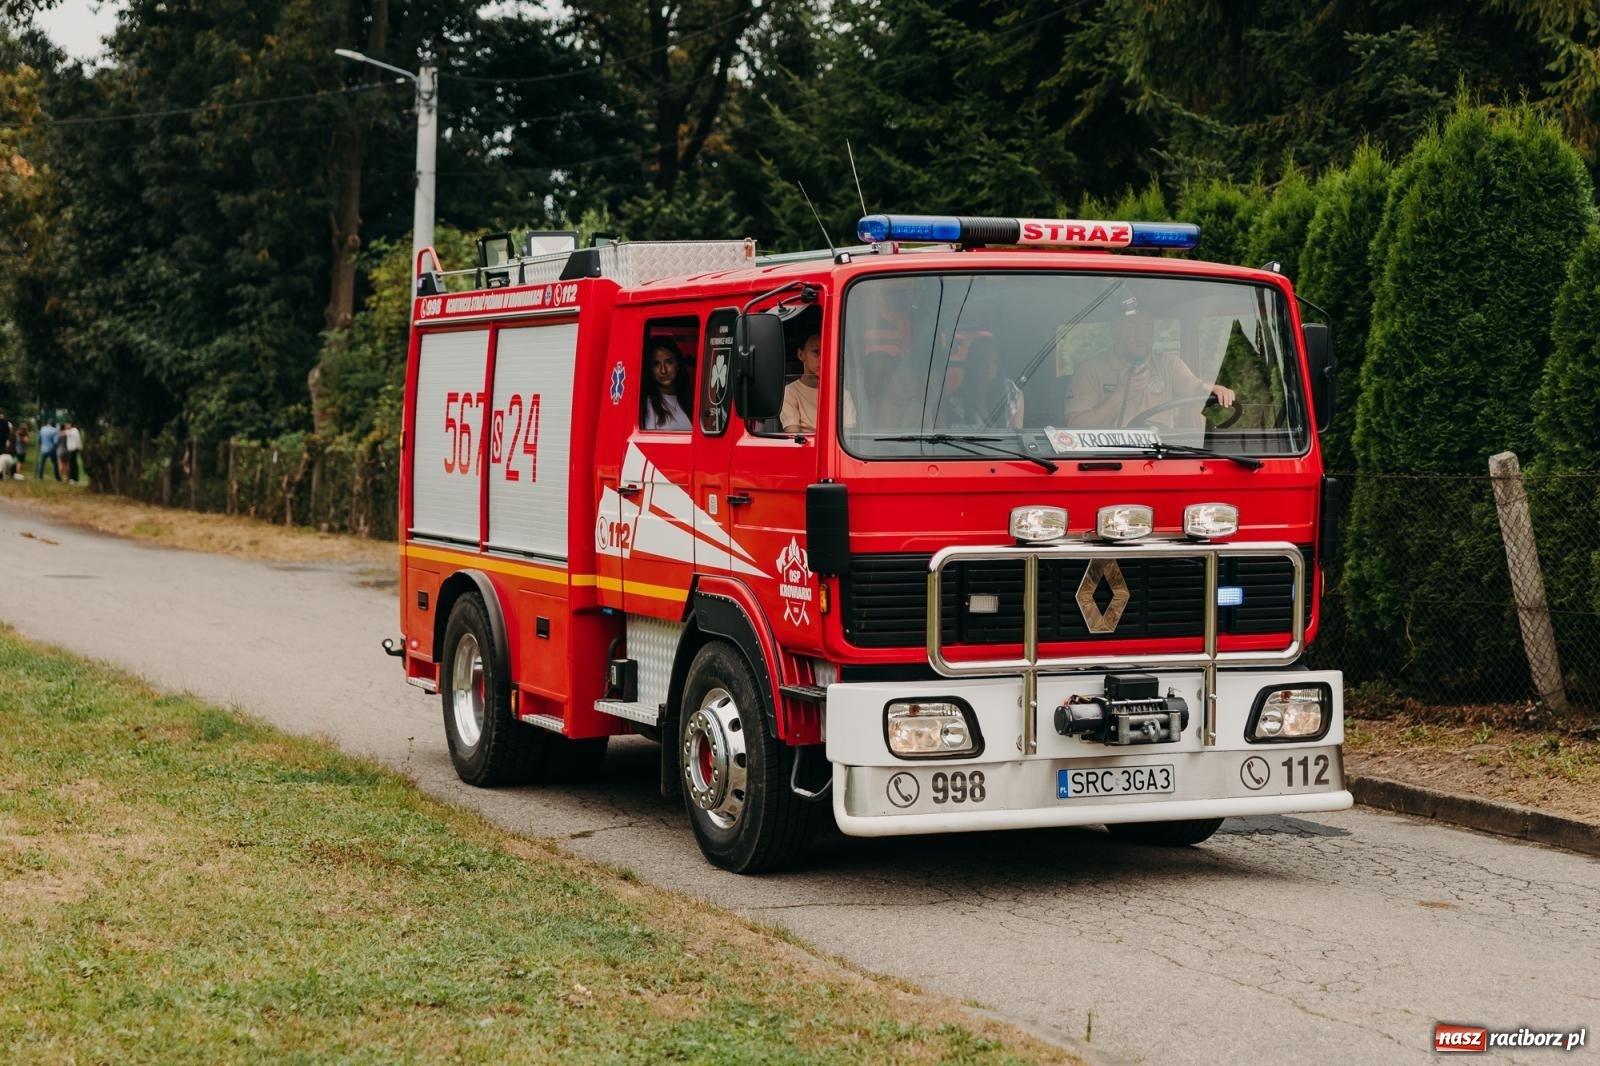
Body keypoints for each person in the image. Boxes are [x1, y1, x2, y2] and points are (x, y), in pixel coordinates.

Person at [1063, 292, 1235, 428]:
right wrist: (1121, 394)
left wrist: (1217, 389)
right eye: (1132, 325)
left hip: (1162, 456)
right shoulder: (1090, 370)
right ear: (1115, 331)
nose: (1141, 335)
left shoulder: (1167, 364)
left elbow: (1196, 389)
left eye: (1147, 326)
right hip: (1108, 461)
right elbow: (1077, 425)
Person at [944, 336, 1023, 429]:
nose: (988, 366)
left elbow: (1017, 434)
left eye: (994, 361)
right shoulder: (955, 402)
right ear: (971, 362)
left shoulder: (1012, 393)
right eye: (982, 360)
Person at [640, 338, 694, 431]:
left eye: (669, 362)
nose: (663, 370)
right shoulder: (648, 405)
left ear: (678, 365)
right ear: (650, 370)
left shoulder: (689, 400)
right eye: (656, 364)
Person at [781, 332, 822, 434]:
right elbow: (794, 436)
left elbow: (849, 436)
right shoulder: (790, 392)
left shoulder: (841, 393)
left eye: (827, 352)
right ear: (801, 355)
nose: (822, 358)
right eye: (816, 351)